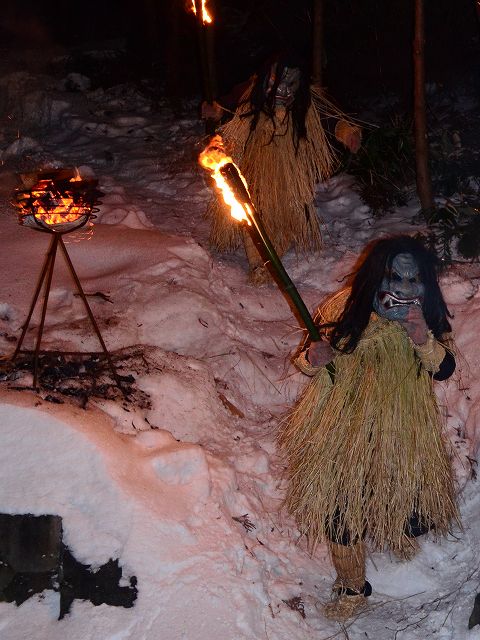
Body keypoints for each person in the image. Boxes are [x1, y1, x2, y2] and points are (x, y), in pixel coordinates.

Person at [278, 235, 459, 621]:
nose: (403, 289)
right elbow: (308, 360)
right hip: (346, 427)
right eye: (394, 277)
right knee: (341, 509)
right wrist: (313, 357)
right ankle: (351, 586)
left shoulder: (425, 315)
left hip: (402, 429)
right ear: (376, 276)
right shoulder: (346, 307)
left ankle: (398, 529)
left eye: (413, 280)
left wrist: (421, 339)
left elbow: (444, 368)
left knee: (404, 502)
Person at [202, 51, 361, 284]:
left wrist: (347, 132)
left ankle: (269, 259)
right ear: (267, 78)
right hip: (254, 168)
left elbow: (332, 119)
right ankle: (259, 262)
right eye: (279, 82)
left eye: (291, 84)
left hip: (288, 174)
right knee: (251, 208)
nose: (284, 91)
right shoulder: (250, 92)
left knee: (284, 215)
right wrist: (215, 109)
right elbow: (227, 104)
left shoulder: (307, 102)